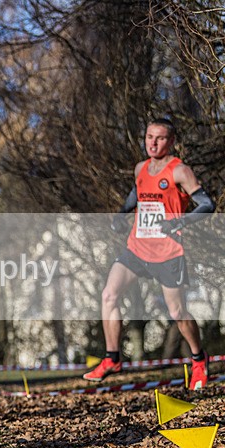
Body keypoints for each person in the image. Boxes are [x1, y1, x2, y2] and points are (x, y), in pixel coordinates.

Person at [84, 118, 215, 389]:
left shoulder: (179, 171)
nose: (152, 143)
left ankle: (199, 359)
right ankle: (112, 358)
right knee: (109, 294)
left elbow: (207, 204)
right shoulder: (140, 168)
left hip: (167, 251)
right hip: (137, 247)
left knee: (177, 311)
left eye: (160, 138)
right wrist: (122, 215)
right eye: (148, 137)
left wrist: (179, 221)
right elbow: (137, 193)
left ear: (171, 141)